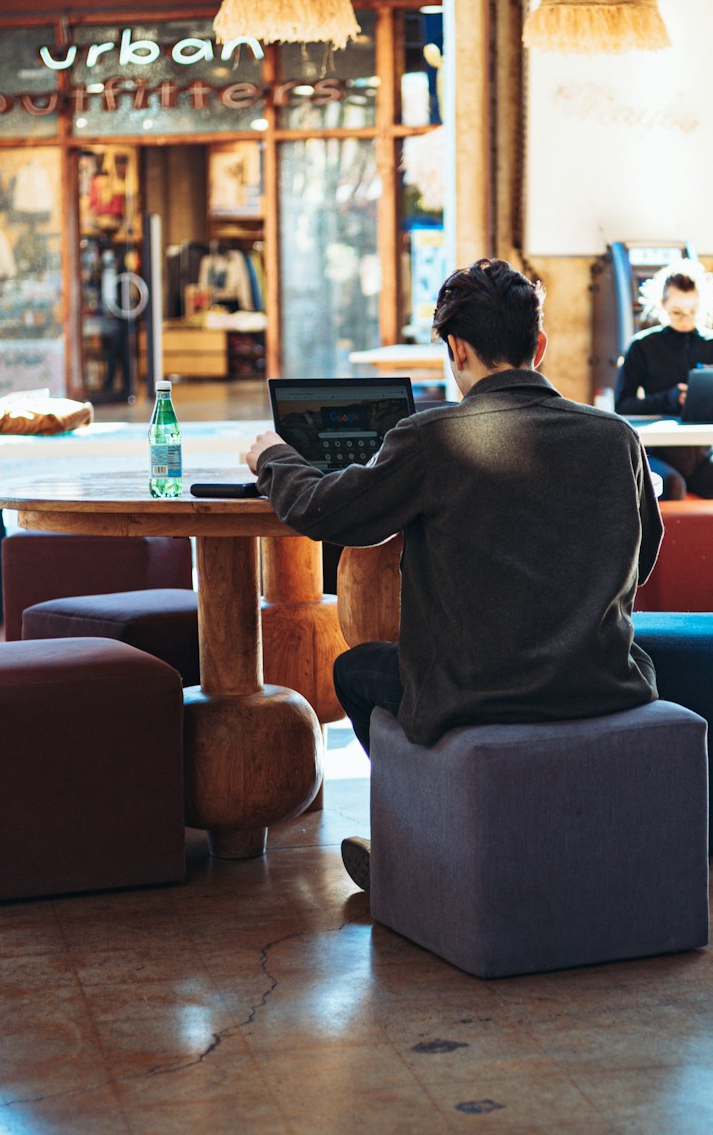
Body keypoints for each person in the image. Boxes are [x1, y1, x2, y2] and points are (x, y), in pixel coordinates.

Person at [246, 259, 663, 893]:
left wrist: (273, 457)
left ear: (456, 348)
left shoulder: (434, 436)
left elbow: (328, 512)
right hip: (604, 682)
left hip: (479, 692)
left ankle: (422, 840)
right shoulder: (617, 438)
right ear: (539, 346)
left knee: (355, 672)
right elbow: (644, 554)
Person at [614, 260, 713, 502]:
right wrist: (669, 399)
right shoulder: (642, 347)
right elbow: (622, 405)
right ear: (662, 305)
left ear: (703, 306)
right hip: (657, 454)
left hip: (703, 455)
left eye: (693, 311)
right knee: (671, 485)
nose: (685, 318)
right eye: (677, 312)